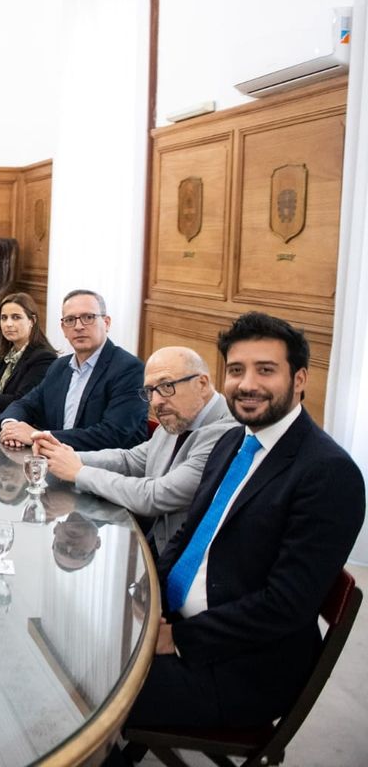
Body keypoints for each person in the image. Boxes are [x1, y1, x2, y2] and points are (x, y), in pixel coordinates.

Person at [119, 313, 364, 740]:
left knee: (89, 688)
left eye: (265, 370)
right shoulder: (234, 439)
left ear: (300, 379)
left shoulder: (328, 473)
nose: (247, 384)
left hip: (242, 667)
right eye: (236, 370)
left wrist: (176, 638)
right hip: (178, 618)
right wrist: (148, 596)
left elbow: (284, 606)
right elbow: (188, 534)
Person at [31, 347, 238, 555]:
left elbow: (156, 495)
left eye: (167, 386)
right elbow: (130, 460)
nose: (156, 401)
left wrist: (79, 472)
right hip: (152, 542)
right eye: (150, 391)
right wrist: (66, 456)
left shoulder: (226, 431)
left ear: (201, 384)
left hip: (186, 560)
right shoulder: (180, 415)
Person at [0, 289, 147, 451]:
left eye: (88, 317)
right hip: (54, 463)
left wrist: (37, 435)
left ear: (107, 323)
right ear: (63, 328)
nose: (78, 326)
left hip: (103, 471)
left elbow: (112, 435)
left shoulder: (130, 369)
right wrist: (11, 426)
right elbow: (25, 404)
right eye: (70, 320)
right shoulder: (59, 367)